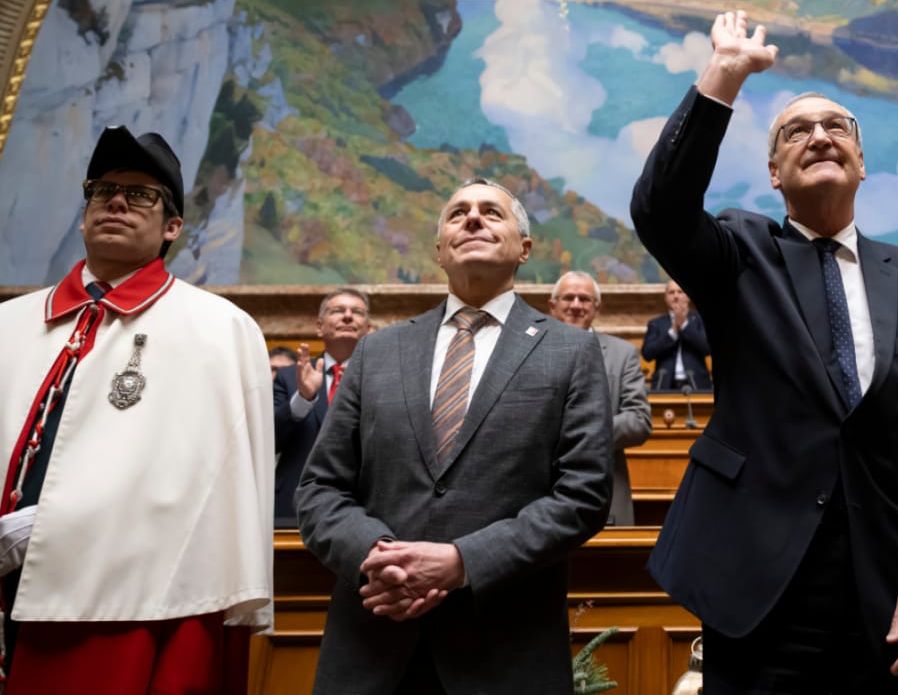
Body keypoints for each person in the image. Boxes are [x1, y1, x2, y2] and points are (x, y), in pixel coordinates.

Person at [631, 11, 898, 692]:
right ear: (774, 173)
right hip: (759, 586)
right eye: (796, 131)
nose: (820, 135)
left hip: (896, 592)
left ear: (862, 163)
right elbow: (660, 208)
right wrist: (724, 75)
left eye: (837, 127)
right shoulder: (740, 254)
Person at [295, 177, 613, 694]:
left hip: (504, 650)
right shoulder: (377, 352)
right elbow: (319, 489)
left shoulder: (571, 353)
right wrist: (378, 556)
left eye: (492, 212)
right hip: (375, 641)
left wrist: (461, 563)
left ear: (524, 248)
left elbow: (583, 496)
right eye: (457, 212)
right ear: (440, 249)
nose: (472, 218)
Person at [0, 125, 273, 694]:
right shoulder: (9, 325)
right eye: (102, 191)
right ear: (83, 216)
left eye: (142, 194)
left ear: (173, 226)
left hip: (126, 608)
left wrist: (56, 524)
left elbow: (211, 494)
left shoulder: (218, 331)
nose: (117, 201)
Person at [549, 271, 653, 525]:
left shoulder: (623, 353)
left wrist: (580, 434)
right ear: (553, 306)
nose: (576, 305)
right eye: (568, 298)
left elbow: (639, 421)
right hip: (539, 497)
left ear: (597, 308)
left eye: (584, 299)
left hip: (604, 495)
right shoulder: (527, 351)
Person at [272, 287, 372, 524]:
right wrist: (303, 399)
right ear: (320, 326)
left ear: (368, 329)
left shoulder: (385, 377)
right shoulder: (289, 376)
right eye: (338, 311)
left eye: (357, 312)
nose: (348, 316)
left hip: (364, 510)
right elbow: (269, 440)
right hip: (293, 505)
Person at [642, 280, 712, 392]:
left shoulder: (700, 320)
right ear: (665, 298)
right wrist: (673, 331)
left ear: (688, 296)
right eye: (671, 292)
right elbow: (647, 354)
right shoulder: (656, 324)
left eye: (680, 292)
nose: (676, 296)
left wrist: (684, 325)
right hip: (664, 384)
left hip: (696, 384)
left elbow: (707, 348)